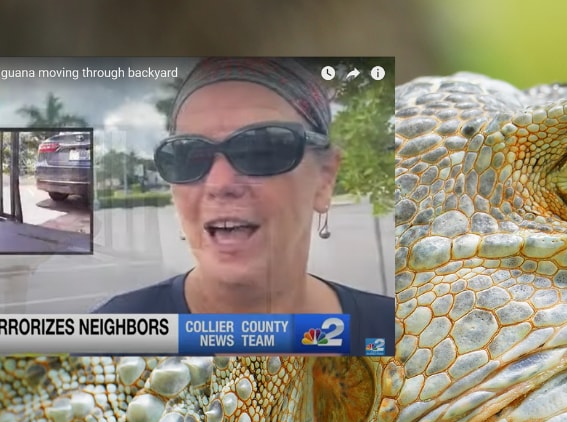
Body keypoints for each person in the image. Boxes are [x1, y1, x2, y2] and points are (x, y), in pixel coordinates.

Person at [93, 57, 394, 353]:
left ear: (324, 178)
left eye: (261, 150)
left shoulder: (397, 335)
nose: (220, 184)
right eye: (188, 155)